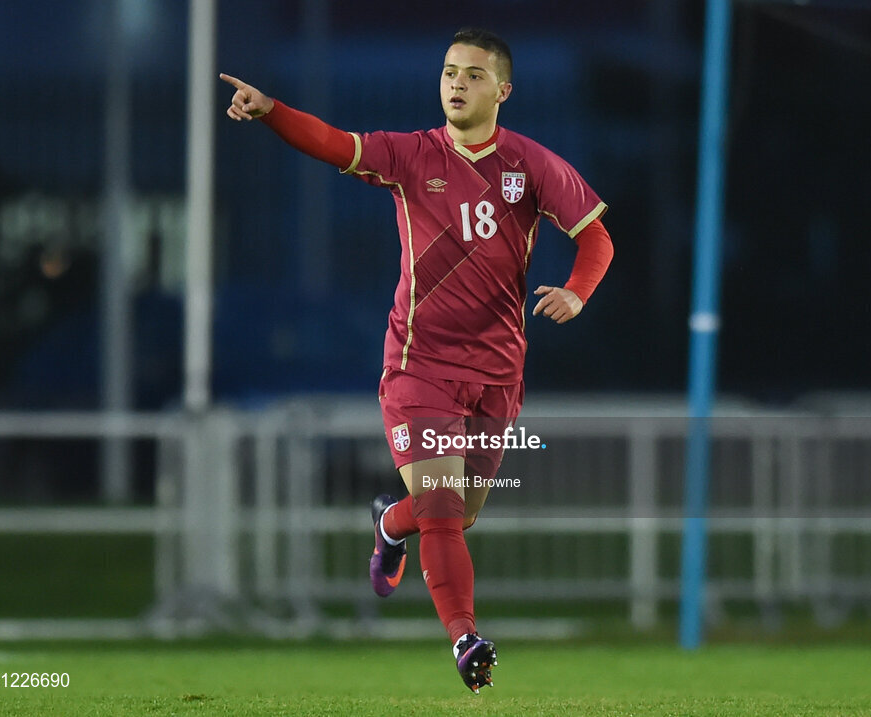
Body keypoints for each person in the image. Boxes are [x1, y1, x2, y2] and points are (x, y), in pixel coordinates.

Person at [221, 27, 613, 693]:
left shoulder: (529, 164)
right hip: (419, 365)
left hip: (497, 373)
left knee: (460, 513)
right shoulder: (410, 155)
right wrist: (272, 111)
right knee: (440, 505)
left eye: (473, 74)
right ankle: (465, 637)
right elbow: (333, 142)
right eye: (449, 71)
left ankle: (385, 521)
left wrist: (577, 294)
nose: (456, 83)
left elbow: (596, 237)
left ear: (503, 90)